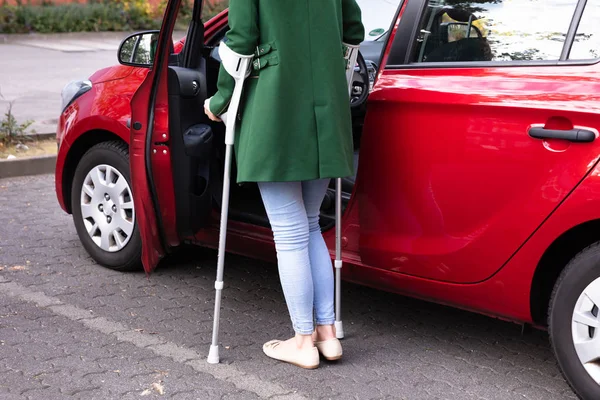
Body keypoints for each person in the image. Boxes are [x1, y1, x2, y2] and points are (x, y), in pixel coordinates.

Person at [204, 0, 364, 369]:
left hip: (275, 108)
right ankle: (326, 335)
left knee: (290, 234)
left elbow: (241, 39)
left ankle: (303, 340)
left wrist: (221, 98)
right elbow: (353, 31)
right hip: (324, 108)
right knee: (309, 227)